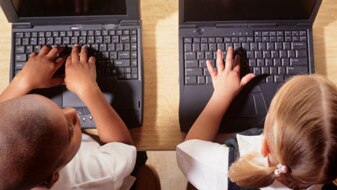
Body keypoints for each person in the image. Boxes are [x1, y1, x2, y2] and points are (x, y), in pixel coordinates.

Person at [176, 47, 337, 189]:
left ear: (265, 145)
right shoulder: (323, 170)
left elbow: (187, 149)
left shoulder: (227, 170)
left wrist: (221, 95)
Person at [0, 45, 137, 189]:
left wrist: (22, 81)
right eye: (69, 131)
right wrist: (88, 89)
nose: (71, 111)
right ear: (53, 178)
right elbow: (123, 147)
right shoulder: (95, 174)